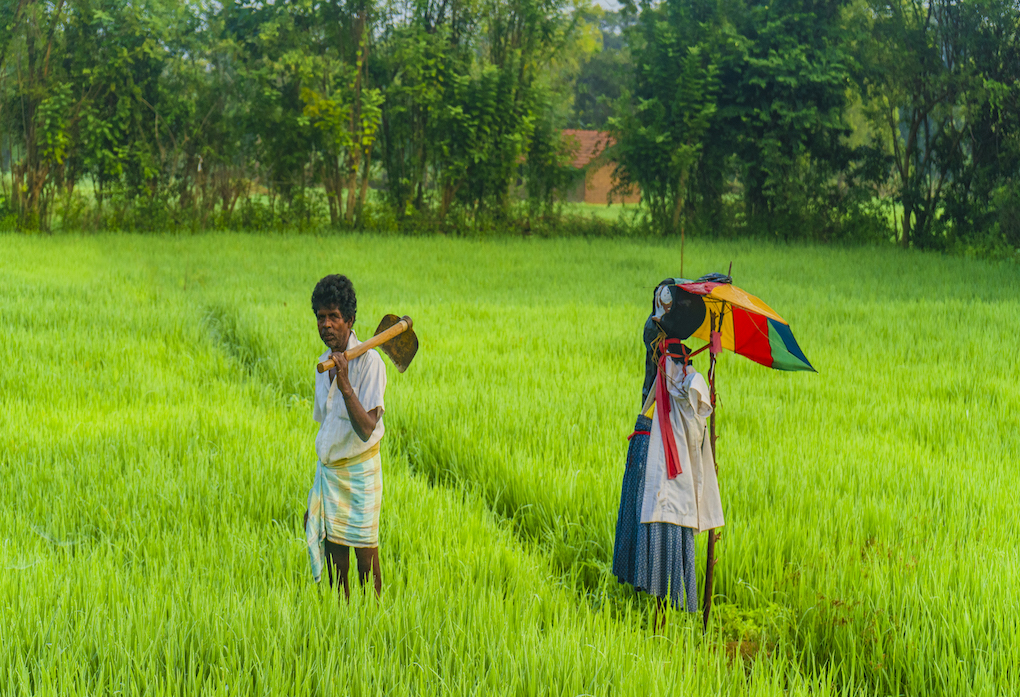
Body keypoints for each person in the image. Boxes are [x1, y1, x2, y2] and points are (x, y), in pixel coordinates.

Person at [304, 274, 387, 598]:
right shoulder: (324, 364)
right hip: (331, 474)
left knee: (366, 559)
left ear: (349, 320)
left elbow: (366, 429)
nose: (326, 324)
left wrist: (346, 380)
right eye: (321, 317)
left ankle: (374, 622)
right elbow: (326, 424)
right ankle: (342, 619)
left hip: (360, 473)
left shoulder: (370, 363)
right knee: (337, 560)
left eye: (333, 317)